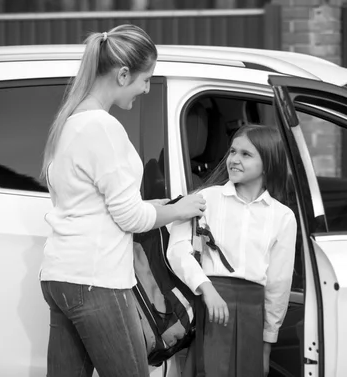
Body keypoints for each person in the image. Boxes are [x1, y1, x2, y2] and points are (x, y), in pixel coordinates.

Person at [39, 24, 206, 377]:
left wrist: (155, 207)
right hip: (95, 280)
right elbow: (129, 218)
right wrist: (180, 209)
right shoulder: (103, 127)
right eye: (145, 79)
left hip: (60, 276)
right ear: (123, 73)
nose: (146, 88)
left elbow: (92, 202)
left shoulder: (70, 122)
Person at [167, 124, 298, 377]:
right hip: (211, 305)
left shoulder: (283, 216)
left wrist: (267, 346)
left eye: (246, 154)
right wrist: (207, 289)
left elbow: (278, 285)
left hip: (253, 312)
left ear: (268, 163)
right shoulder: (207, 198)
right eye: (232, 152)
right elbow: (178, 249)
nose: (234, 160)